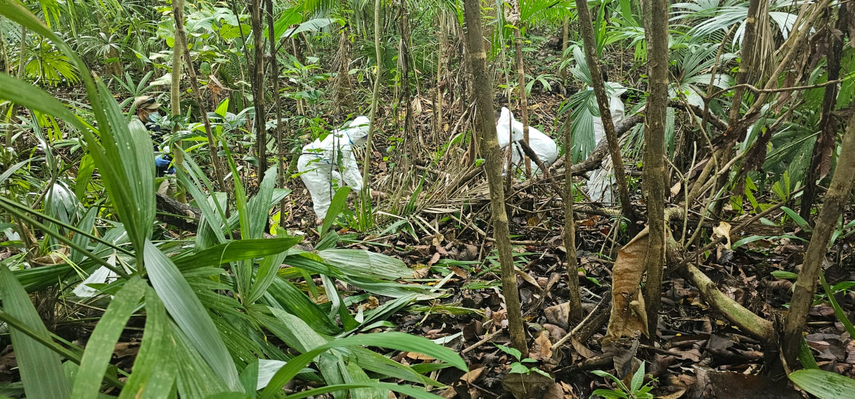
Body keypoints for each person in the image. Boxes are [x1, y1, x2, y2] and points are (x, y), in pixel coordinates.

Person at [297, 116, 371, 222]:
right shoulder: (343, 143)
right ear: (360, 134)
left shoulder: (345, 138)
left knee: (336, 179)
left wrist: (362, 184)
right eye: (365, 137)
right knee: (323, 196)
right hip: (310, 167)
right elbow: (346, 173)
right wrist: (360, 190)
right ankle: (324, 223)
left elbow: (351, 165)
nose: (364, 140)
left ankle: (336, 215)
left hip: (323, 168)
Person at [495, 107, 559, 175]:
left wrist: (506, 169)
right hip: (553, 149)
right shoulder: (511, 124)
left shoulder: (501, 129)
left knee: (523, 177)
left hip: (541, 154)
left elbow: (509, 150)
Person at [133, 96, 174, 177]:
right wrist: (152, 160)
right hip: (147, 175)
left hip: (164, 172)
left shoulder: (155, 125)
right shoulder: (134, 128)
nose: (156, 112)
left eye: (156, 110)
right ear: (142, 111)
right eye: (152, 110)